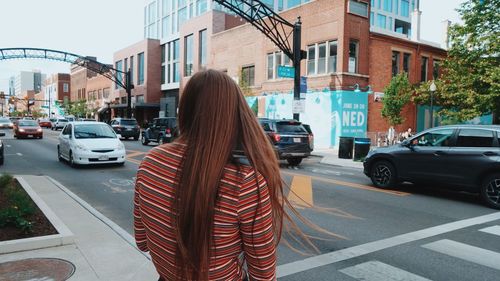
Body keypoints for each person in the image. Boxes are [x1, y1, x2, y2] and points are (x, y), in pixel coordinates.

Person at [133, 70, 310, 281]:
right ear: (236, 114)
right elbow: (263, 274)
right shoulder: (245, 182)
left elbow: (142, 242)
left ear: (186, 110)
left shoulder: (149, 162)